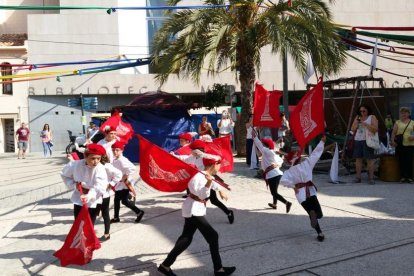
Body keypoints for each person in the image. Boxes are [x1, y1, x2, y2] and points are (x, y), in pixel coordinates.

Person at [158, 154, 236, 276]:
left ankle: (165, 265)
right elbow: (202, 195)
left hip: (193, 208)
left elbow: (215, 182)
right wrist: (208, 184)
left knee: (186, 238)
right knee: (213, 236)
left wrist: (220, 190)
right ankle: (218, 269)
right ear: (214, 164)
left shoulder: (205, 175)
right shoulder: (199, 177)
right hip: (194, 209)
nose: (220, 167)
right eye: (219, 164)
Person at [174, 140, 234, 224]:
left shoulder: (205, 158)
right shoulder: (192, 157)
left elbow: (214, 171)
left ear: (198, 150)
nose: (191, 151)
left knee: (214, 200)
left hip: (207, 180)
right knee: (194, 197)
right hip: (198, 182)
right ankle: (195, 216)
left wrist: (220, 190)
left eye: (192, 150)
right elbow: (184, 158)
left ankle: (228, 212)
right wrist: (172, 156)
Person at [280, 136, 327, 242]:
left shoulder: (290, 171)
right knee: (319, 214)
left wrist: (293, 186)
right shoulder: (307, 164)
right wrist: (322, 142)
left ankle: (320, 233)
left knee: (311, 213)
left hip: (301, 195)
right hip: (310, 192)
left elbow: (283, 180)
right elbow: (316, 154)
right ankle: (315, 216)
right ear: (298, 158)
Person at [60, 143, 108, 224]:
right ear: (85, 156)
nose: (96, 162)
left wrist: (89, 196)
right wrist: (74, 185)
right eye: (93, 158)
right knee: (78, 222)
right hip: (78, 198)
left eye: (98, 158)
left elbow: (99, 186)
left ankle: (88, 236)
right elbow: (64, 175)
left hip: (93, 200)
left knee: (89, 224)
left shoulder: (100, 168)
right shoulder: (75, 165)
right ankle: (80, 236)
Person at [253, 131, 292, 212]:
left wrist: (255, 137)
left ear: (266, 146)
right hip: (275, 174)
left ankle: (287, 203)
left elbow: (259, 145)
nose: (262, 146)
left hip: (273, 175)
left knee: (274, 193)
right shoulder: (270, 153)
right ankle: (274, 204)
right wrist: (277, 165)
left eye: (263, 144)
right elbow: (281, 161)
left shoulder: (267, 152)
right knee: (275, 191)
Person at [110, 141, 144, 224]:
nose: (115, 152)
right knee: (116, 200)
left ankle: (139, 212)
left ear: (122, 150)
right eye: (113, 150)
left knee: (124, 201)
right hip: (119, 183)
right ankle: (116, 217)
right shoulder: (115, 159)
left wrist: (126, 175)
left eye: (117, 150)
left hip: (124, 184)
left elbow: (132, 168)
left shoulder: (122, 160)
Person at [96, 154, 122, 241]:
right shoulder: (92, 165)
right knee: (92, 214)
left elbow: (119, 174)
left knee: (105, 214)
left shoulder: (106, 166)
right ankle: (90, 234)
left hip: (104, 194)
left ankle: (106, 234)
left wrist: (111, 184)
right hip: (94, 194)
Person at [350, 104, 378, 185]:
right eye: (360, 111)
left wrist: (365, 124)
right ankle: (358, 177)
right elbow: (352, 129)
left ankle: (371, 178)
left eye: (364, 111)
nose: (362, 112)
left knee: (370, 159)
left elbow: (375, 129)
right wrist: (357, 124)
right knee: (358, 159)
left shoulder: (372, 117)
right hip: (358, 140)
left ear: (368, 110)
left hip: (368, 140)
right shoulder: (357, 117)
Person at [391, 107, 414, 183]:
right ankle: (403, 177)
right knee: (401, 160)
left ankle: (410, 177)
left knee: (409, 161)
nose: (403, 114)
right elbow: (393, 133)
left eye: (405, 112)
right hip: (400, 144)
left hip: (410, 144)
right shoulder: (397, 122)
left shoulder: (412, 122)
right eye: (402, 112)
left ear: (408, 113)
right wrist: (392, 141)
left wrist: (413, 137)